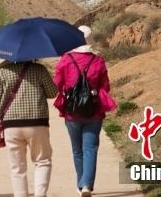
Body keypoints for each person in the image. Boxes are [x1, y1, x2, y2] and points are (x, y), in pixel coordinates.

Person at [0, 58, 58, 197]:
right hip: (37, 122)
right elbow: (52, 93)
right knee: (42, 161)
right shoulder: (39, 69)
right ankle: (40, 194)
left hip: (11, 125)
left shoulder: (2, 71)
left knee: (17, 167)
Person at [53, 25, 117, 197]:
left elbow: (57, 83)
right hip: (94, 110)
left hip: (71, 111)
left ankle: (80, 185)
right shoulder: (98, 61)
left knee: (77, 150)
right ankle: (87, 185)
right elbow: (105, 86)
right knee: (91, 148)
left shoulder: (66, 59)